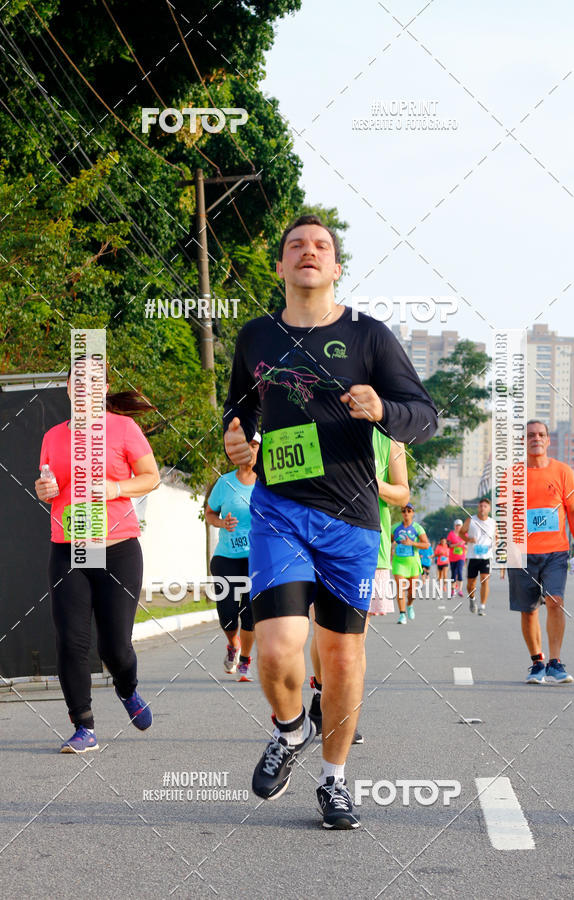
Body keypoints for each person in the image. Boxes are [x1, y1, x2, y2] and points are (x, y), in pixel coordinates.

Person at [223, 214, 437, 829]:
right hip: (279, 514)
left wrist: (383, 408)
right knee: (276, 651)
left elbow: (425, 416)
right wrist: (238, 441)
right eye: (296, 245)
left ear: (337, 267)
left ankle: (334, 779)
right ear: (282, 265)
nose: (308, 252)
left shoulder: (370, 337)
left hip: (351, 521)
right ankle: (290, 731)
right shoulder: (255, 337)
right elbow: (240, 409)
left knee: (341, 660)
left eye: (321, 246)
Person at [34, 361, 160, 753]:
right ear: (69, 389)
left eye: (93, 382)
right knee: (71, 640)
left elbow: (151, 477)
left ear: (104, 388)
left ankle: (128, 688)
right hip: (68, 547)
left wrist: (115, 487)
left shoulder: (124, 429)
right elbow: (47, 487)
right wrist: (45, 488)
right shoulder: (53, 436)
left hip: (118, 547)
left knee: (115, 647)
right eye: (77, 382)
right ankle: (83, 726)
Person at [308, 432, 410, 742]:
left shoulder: (391, 438)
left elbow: (403, 493)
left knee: (354, 637)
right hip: (322, 540)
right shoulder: (322, 419)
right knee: (322, 627)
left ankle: (345, 711)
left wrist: (368, 482)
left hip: (370, 546)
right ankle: (322, 696)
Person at [507, 420, 574, 685]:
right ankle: (537, 662)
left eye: (541, 434)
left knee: (555, 601)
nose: (536, 439)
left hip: (556, 552)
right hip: (523, 553)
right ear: (523, 441)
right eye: (530, 435)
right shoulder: (512, 475)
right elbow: (507, 516)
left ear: (548, 440)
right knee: (529, 611)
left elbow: (573, 512)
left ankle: (555, 662)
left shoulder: (563, 472)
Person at [205, 435, 261, 681]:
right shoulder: (225, 483)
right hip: (226, 557)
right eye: (244, 445)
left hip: (257, 560)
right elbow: (209, 512)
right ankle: (233, 644)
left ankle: (246, 659)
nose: (248, 449)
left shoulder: (268, 483)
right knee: (227, 612)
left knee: (250, 613)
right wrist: (221, 522)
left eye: (254, 444)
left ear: (259, 448)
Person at [391, 504, 430, 624]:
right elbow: (389, 541)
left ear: (413, 513)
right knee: (401, 587)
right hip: (399, 562)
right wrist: (390, 551)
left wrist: (412, 543)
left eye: (409, 511)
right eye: (403, 511)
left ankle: (409, 605)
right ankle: (402, 614)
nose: (406, 513)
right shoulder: (395, 527)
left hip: (413, 562)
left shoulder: (418, 528)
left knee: (412, 591)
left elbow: (426, 545)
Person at [460, 498, 496, 616]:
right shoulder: (471, 520)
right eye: (480, 506)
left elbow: (497, 536)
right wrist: (468, 539)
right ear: (478, 508)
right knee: (471, 583)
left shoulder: (493, 522)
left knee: (485, 580)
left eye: (485, 506)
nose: (482, 508)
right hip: (472, 556)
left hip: (486, 556)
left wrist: (495, 544)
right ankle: (472, 599)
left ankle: (482, 606)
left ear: (489, 509)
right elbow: (461, 532)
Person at [447, 519, 466, 596]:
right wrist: (458, 544)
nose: (458, 527)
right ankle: (453, 589)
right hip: (452, 557)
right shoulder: (451, 534)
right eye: (457, 525)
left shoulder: (465, 534)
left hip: (461, 557)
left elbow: (468, 544)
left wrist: (465, 546)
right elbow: (449, 545)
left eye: (459, 525)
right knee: (453, 574)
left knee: (460, 572)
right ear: (454, 526)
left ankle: (460, 590)